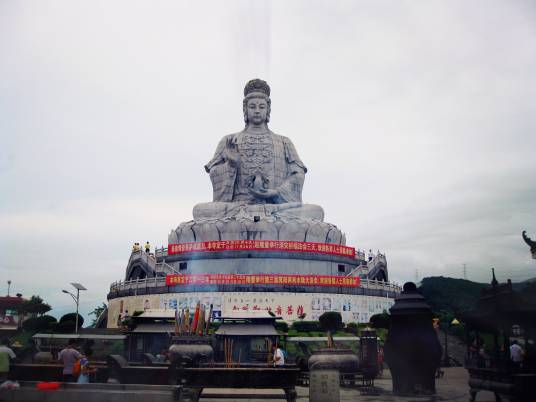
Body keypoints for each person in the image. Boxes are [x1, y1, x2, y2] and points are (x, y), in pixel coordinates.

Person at [193, 79, 324, 222]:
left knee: (316, 211)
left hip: (275, 208)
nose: (257, 111)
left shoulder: (284, 142)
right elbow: (215, 179)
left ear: (268, 110)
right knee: (200, 210)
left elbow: (298, 175)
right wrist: (231, 165)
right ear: (245, 109)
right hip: (237, 208)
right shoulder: (229, 141)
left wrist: (275, 193)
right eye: (252, 107)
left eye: (261, 107)